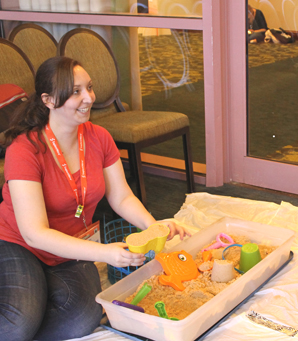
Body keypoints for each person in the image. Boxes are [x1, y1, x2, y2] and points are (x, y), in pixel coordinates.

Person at [0, 56, 189, 340]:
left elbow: (122, 196)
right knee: (18, 323)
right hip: (18, 244)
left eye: (89, 87)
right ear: (49, 100)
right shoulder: (24, 149)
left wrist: (154, 227)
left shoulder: (99, 137)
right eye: (75, 91)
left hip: (72, 249)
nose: (88, 97)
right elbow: (34, 234)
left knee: (81, 321)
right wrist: (107, 254)